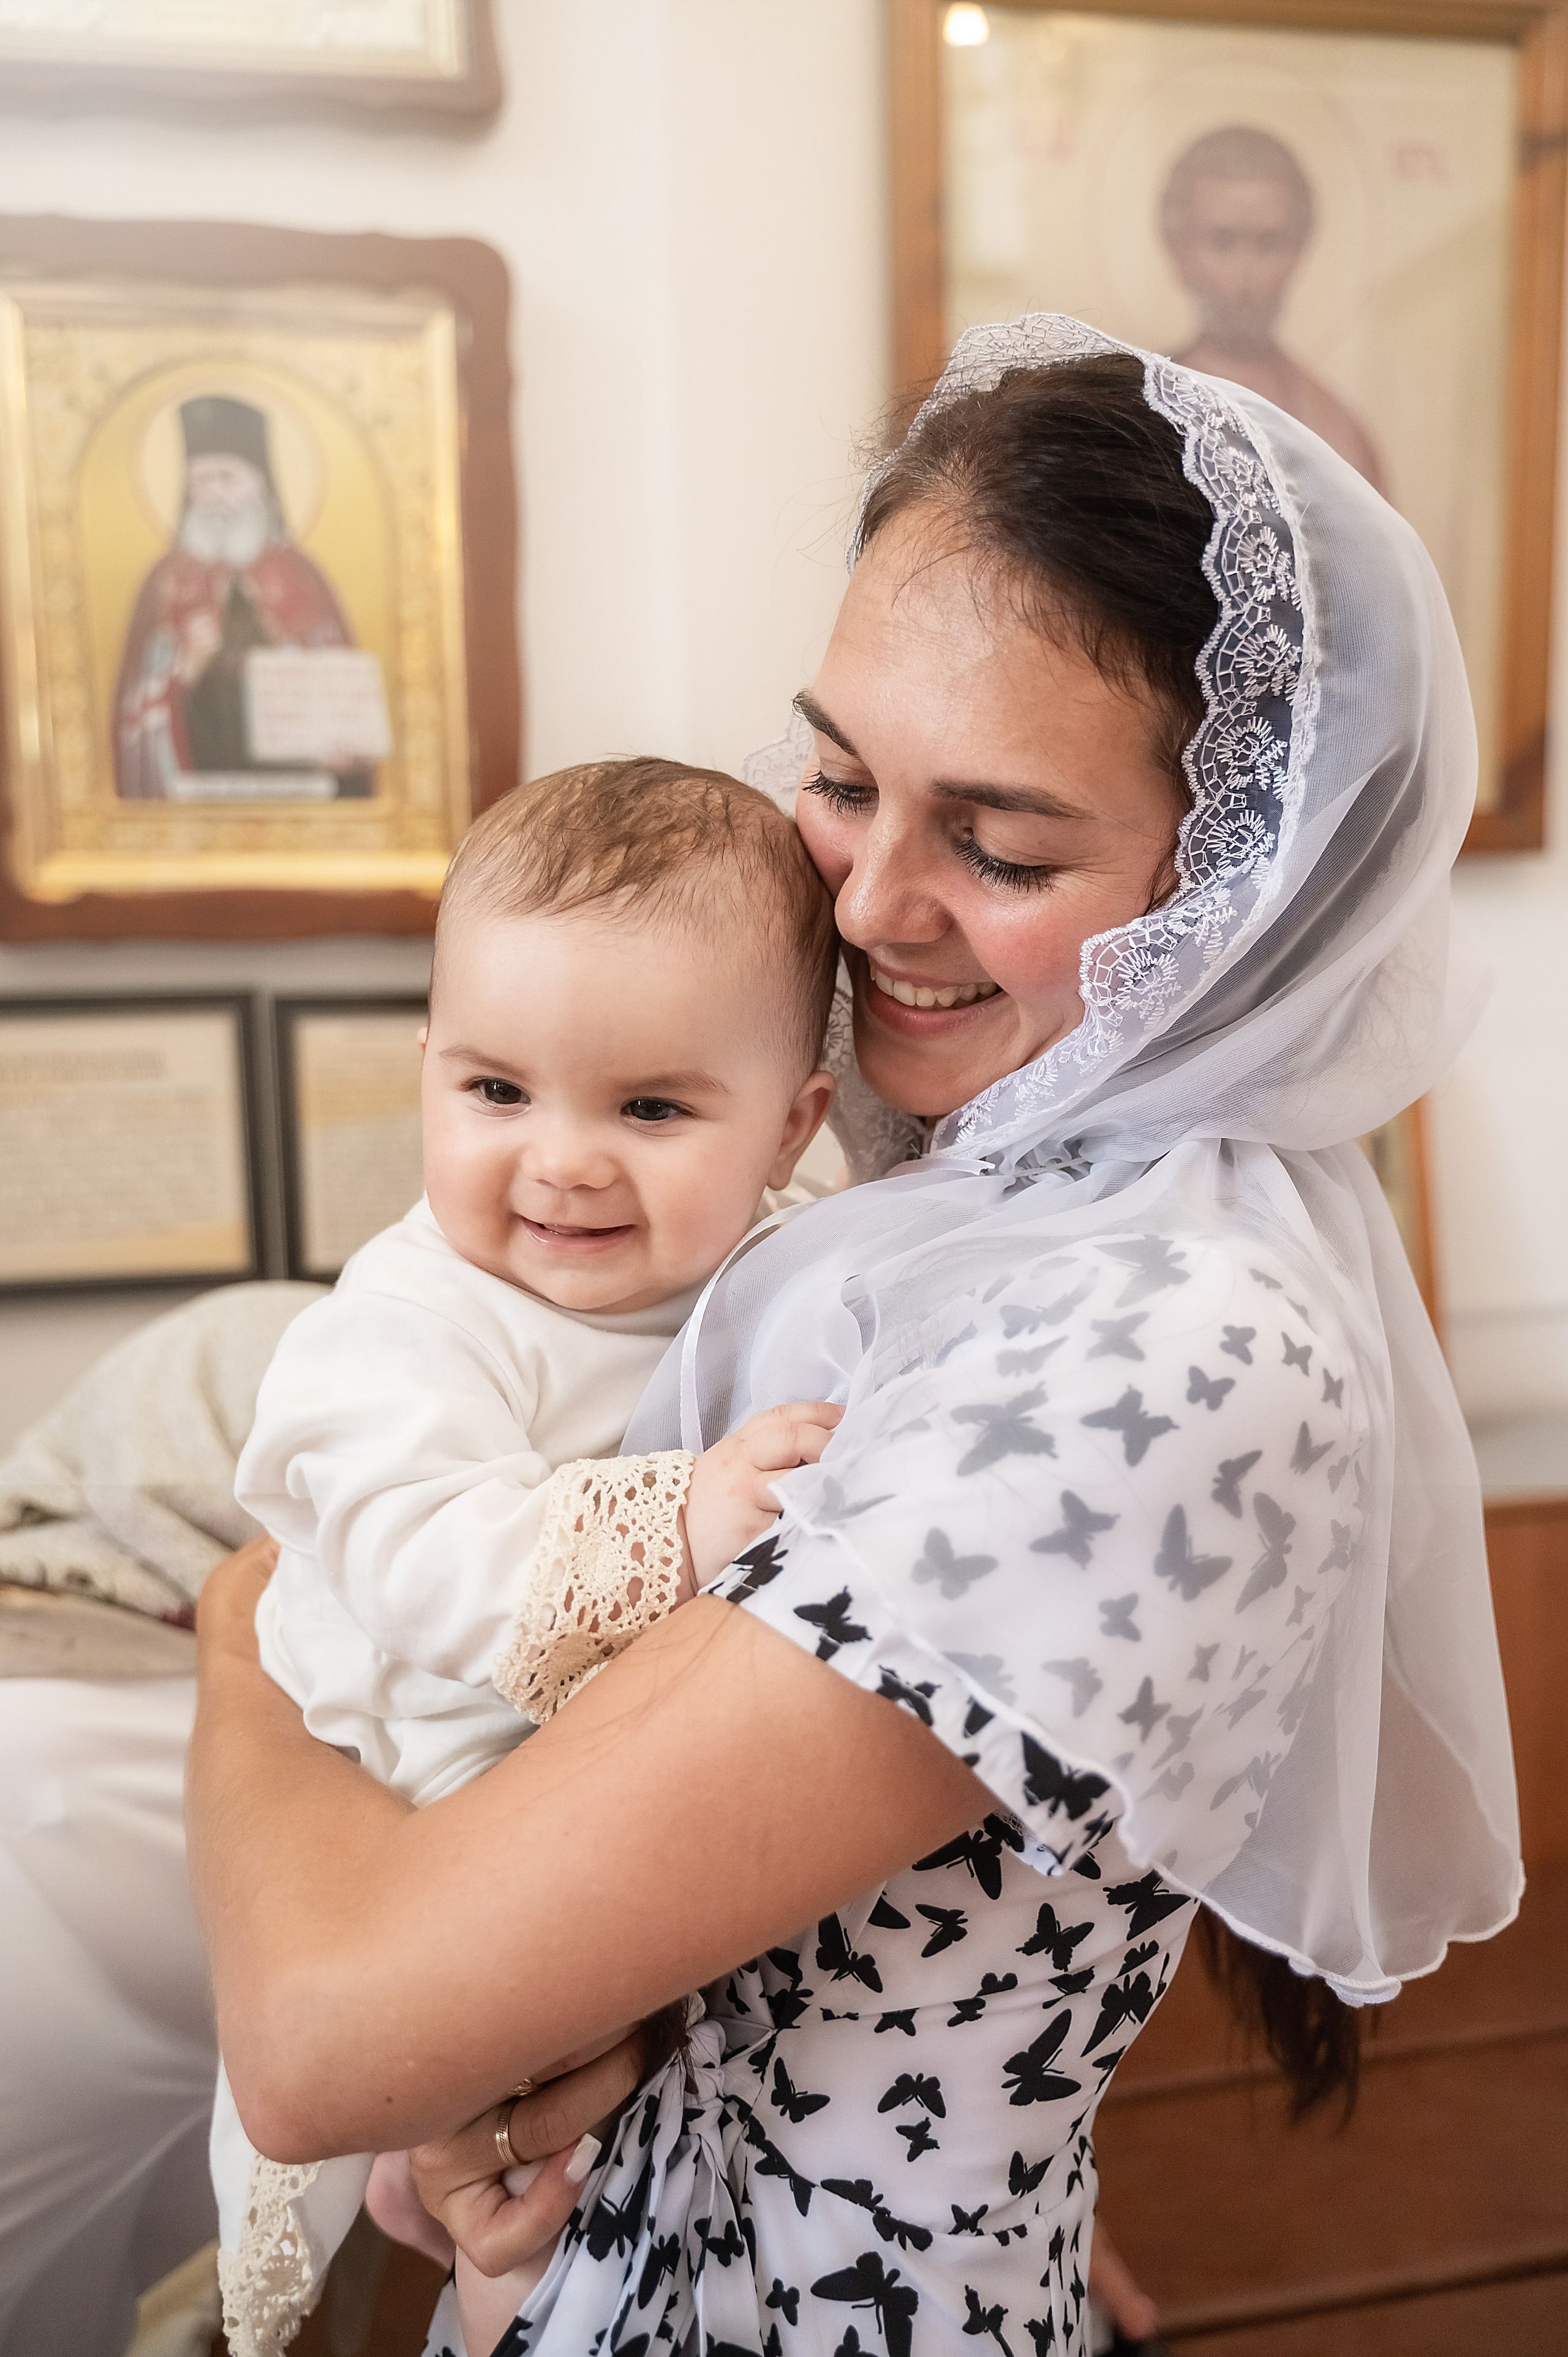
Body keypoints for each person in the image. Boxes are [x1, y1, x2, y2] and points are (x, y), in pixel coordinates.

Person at [189, 317, 1521, 2357]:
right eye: (832, 773)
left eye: (998, 844)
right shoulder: (955, 1211)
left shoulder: (1169, 1332)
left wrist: (241, 1635)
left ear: (1246, 891)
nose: (869, 898)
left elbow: (323, 2030)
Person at [213, 758, 842, 2355]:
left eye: (648, 1108)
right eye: (496, 1093)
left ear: (793, 1127)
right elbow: (431, 1563)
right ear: (427, 1071)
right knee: (521, 2220)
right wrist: (685, 1519)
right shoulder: (399, 1329)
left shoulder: (791, 1261)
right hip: (424, 1793)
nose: (561, 1159)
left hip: (644, 1815)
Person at [113, 394, 374, 802]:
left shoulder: (301, 575)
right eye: (199, 481)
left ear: (262, 486)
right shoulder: (165, 582)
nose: (212, 494)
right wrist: (186, 667)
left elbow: (340, 682)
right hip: (195, 789)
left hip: (299, 794)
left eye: (226, 477)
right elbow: (135, 712)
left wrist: (342, 742)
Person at [1162, 125, 1386, 494]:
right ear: (1180, 251)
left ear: (1298, 252)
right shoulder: (1140, 405)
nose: (1245, 274)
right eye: (1222, 242)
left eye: (1267, 244)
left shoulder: (1335, 435)